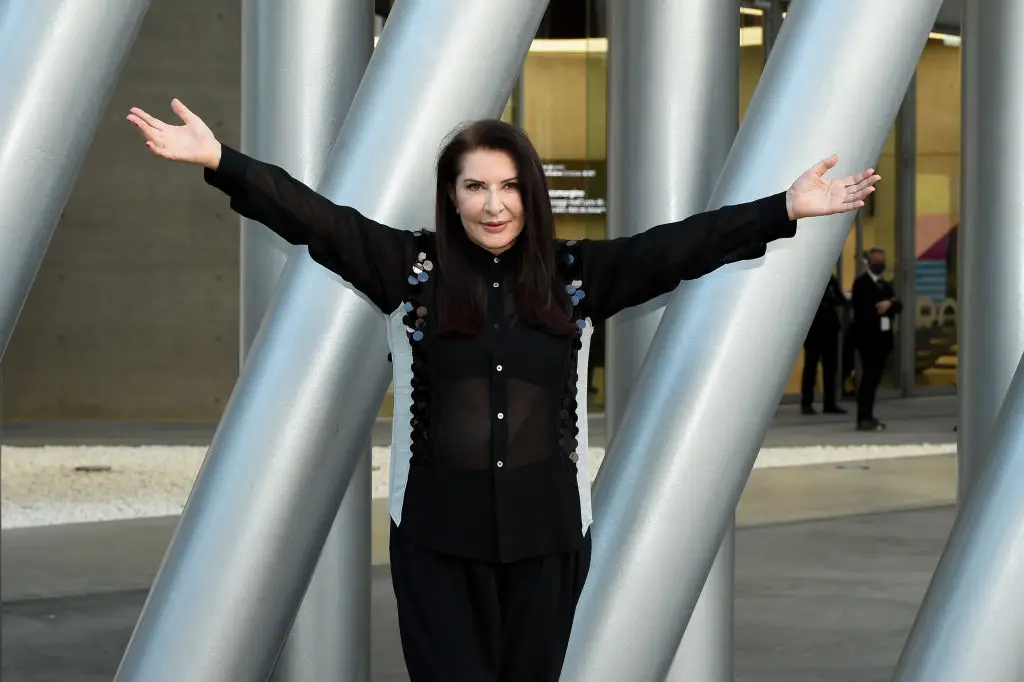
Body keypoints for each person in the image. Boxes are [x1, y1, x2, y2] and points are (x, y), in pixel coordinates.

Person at [126, 98, 880, 682]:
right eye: (476, 187)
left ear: (533, 194)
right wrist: (220, 158)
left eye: (511, 187)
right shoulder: (407, 271)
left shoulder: (576, 278)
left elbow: (680, 247)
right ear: (451, 197)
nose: (494, 204)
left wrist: (782, 208)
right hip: (435, 544)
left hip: (547, 544)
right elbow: (312, 218)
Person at [851, 247, 902, 431]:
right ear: (869, 262)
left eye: (883, 261)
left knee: (874, 379)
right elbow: (862, 311)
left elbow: (898, 304)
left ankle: (869, 415)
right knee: (868, 379)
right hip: (868, 340)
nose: (881, 264)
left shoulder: (885, 285)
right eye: (877, 261)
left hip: (883, 341)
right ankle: (863, 417)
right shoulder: (861, 284)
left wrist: (890, 303)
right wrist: (882, 308)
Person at [800, 273, 848, 415]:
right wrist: (829, 298)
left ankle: (830, 403)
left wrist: (837, 299)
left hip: (830, 328)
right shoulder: (808, 277)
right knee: (811, 367)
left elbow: (840, 299)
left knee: (830, 367)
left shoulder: (830, 278)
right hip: (813, 328)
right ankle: (806, 402)